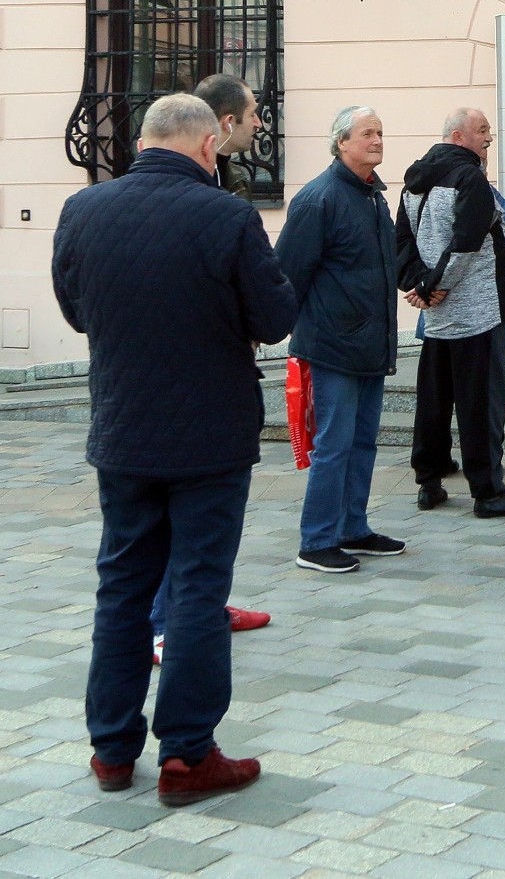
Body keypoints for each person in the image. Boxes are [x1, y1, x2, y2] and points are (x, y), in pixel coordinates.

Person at [52, 94, 297, 806]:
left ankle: (111, 750)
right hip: (209, 437)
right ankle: (188, 755)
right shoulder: (225, 215)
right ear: (203, 147)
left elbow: (75, 310)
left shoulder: (85, 210)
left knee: (122, 585)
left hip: (124, 430)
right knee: (196, 588)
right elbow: (275, 316)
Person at [150, 73, 269, 666]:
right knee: (175, 527)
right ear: (221, 128)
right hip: (184, 386)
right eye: (253, 114)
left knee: (193, 534)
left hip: (200, 371)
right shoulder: (207, 198)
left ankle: (199, 609)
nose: (259, 124)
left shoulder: (232, 183)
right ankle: (167, 626)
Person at [275, 106, 403, 574]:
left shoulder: (374, 197)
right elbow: (287, 273)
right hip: (333, 345)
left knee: (363, 440)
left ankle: (353, 527)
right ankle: (317, 540)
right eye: (367, 133)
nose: (377, 140)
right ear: (341, 142)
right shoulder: (318, 199)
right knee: (333, 444)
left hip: (371, 344)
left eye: (380, 132)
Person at [396, 107, 505, 518]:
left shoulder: (413, 182)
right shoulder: (469, 177)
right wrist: (431, 287)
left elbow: (401, 243)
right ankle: (488, 492)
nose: (489, 138)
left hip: (438, 313)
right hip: (476, 312)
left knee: (435, 399)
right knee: (481, 403)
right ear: (458, 137)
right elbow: (467, 243)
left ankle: (430, 478)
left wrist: (419, 286)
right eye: (482, 131)